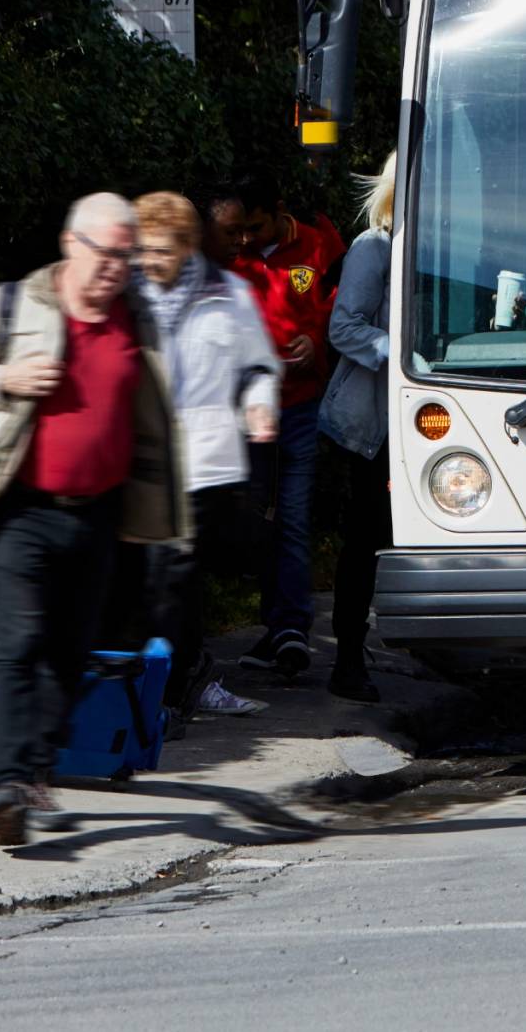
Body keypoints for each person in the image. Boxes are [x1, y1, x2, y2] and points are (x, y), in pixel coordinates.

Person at [0, 194, 184, 849]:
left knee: (70, 652)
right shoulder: (14, 305)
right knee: (20, 643)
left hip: (100, 513)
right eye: (106, 253)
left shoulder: (137, 317)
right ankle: (7, 787)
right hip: (21, 507)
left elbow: (153, 413)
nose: (116, 267)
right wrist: (4, 378)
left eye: (126, 255)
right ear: (71, 244)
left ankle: (36, 774)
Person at [132, 192, 279, 718]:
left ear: (188, 246)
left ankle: (173, 692)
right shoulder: (127, 296)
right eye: (144, 248)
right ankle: (176, 686)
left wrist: (258, 405)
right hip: (142, 464)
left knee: (176, 578)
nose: (151, 260)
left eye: (162, 250)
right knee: (165, 582)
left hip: (204, 465)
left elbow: (258, 367)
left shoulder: (229, 294)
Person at [210, 171, 344, 678]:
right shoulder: (227, 254)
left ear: (280, 211)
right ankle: (275, 623)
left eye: (256, 227)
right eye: (239, 229)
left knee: (292, 516)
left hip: (301, 406)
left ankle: (291, 628)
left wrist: (319, 339)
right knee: (254, 521)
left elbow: (345, 306)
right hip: (245, 413)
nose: (246, 238)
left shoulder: (320, 244)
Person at [320, 154, 396, 703]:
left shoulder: (445, 246)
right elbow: (343, 326)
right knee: (366, 537)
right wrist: (403, 353)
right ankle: (347, 658)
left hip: (421, 415)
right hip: (373, 423)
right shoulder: (375, 247)